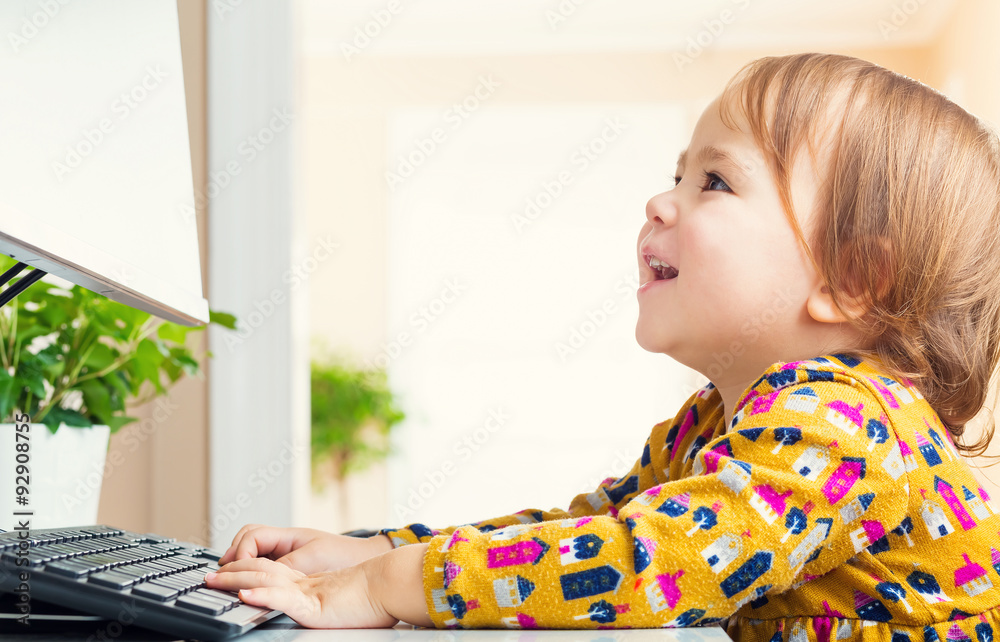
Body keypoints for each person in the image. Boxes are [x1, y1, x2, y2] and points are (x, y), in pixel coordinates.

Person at [205, 52, 1000, 640]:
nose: (659, 201)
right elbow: (591, 531)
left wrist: (387, 584)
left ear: (853, 277)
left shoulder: (848, 424)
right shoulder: (719, 424)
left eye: (715, 183)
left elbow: (648, 561)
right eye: (677, 174)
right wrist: (374, 549)